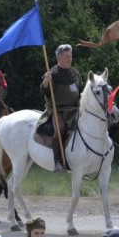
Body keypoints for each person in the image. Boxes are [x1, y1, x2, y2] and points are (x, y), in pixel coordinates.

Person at [39, 44, 82, 172]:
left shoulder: (75, 74)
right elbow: (43, 91)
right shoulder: (51, 73)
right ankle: (58, 160)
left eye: (70, 56)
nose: (69, 59)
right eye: (66, 56)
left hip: (74, 109)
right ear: (59, 58)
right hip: (57, 110)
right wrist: (46, 81)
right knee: (60, 128)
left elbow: (81, 92)